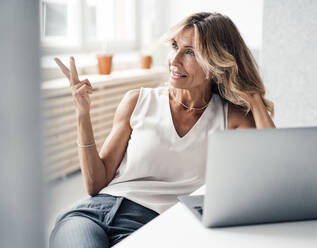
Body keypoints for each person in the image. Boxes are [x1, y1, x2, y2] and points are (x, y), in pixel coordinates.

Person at [49, 12, 275, 248]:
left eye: (190, 52)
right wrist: (82, 113)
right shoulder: (138, 100)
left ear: (216, 63)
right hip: (91, 215)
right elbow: (95, 184)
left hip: (155, 227)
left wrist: (255, 100)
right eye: (175, 46)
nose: (174, 60)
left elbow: (273, 172)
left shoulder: (231, 118)